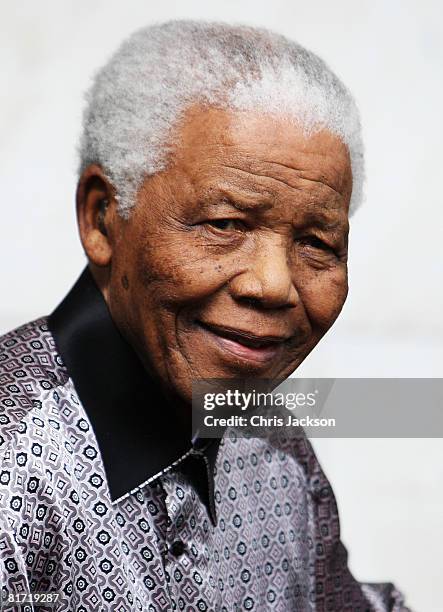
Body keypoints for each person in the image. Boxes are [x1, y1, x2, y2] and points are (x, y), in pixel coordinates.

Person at [0, 21, 409, 611]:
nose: (273, 285)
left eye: (317, 243)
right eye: (224, 224)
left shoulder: (272, 446)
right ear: (102, 217)